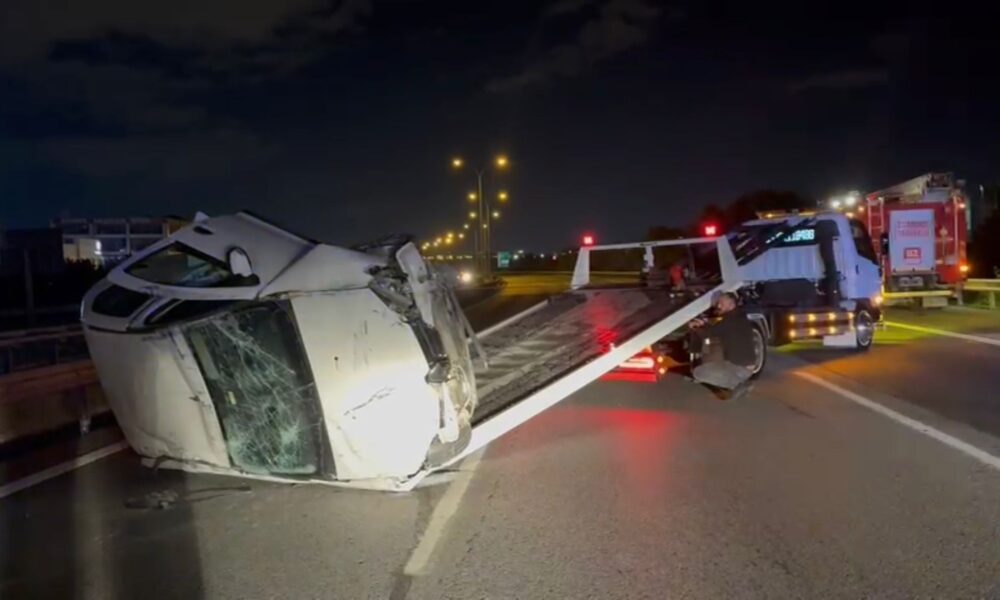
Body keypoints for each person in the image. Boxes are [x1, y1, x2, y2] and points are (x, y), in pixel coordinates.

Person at [688, 291, 757, 399]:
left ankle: (736, 384)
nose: (719, 306)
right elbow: (717, 329)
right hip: (747, 366)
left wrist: (695, 327)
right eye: (718, 303)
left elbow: (707, 334)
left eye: (722, 303)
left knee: (698, 373)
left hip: (739, 368)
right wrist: (703, 325)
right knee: (714, 360)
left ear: (731, 304)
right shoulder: (740, 316)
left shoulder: (729, 320)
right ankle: (739, 381)